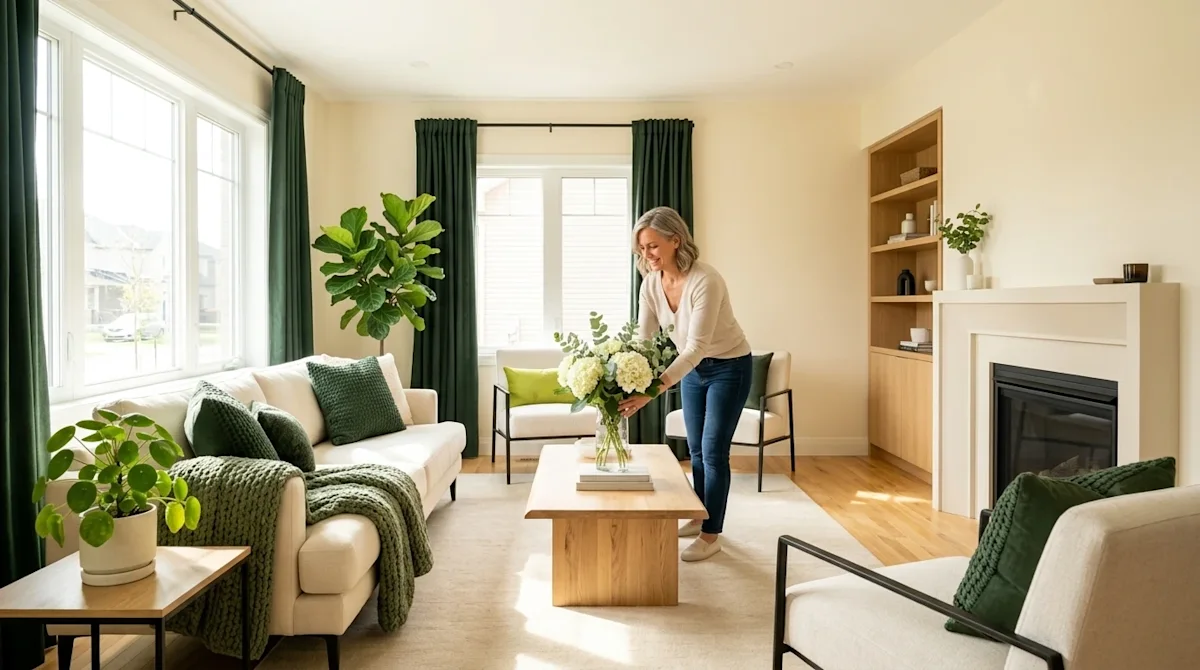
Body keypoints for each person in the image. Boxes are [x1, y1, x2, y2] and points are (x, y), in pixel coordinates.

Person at [617, 206, 753, 562]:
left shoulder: (705, 280)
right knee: (694, 451)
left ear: (676, 240)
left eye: (652, 247)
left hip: (730, 367)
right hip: (693, 371)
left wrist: (651, 392)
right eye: (641, 249)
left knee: (712, 451)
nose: (646, 256)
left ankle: (712, 535)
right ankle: (698, 515)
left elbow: (696, 346)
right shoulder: (651, 283)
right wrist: (622, 373)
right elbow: (644, 340)